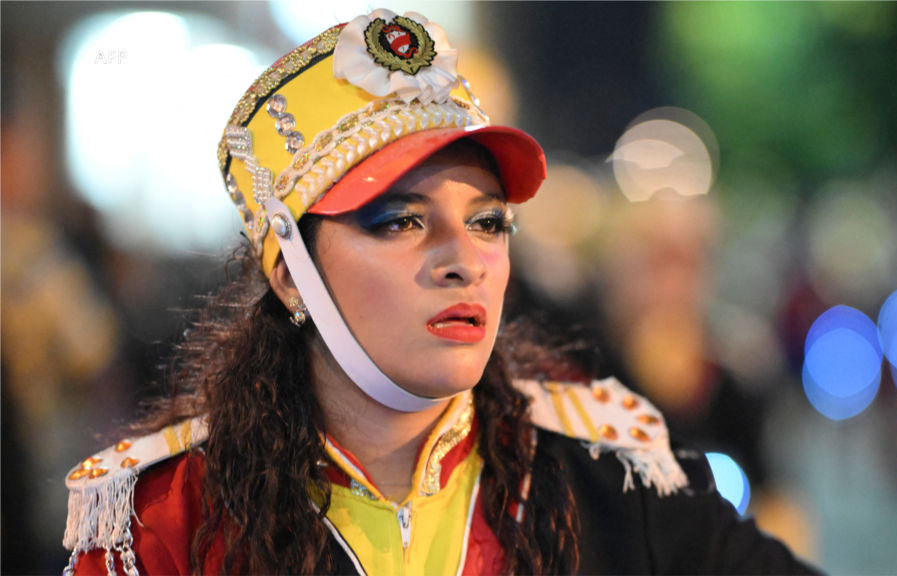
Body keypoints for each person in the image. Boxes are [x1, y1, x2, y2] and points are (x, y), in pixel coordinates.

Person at [62, 9, 822, 576]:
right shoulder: (161, 523)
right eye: (400, 221)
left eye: (488, 221)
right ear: (290, 272)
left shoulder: (612, 477)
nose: (464, 260)